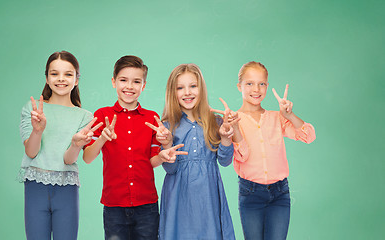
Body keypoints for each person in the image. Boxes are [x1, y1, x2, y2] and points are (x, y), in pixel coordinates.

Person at [82, 55, 186, 240]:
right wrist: (102, 139)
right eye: (123, 80)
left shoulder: (151, 118)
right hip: (114, 205)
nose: (129, 86)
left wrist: (162, 156)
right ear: (114, 82)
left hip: (147, 205)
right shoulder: (102, 115)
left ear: (143, 85)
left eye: (136, 81)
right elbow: (87, 158)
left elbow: (152, 161)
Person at [217, 61, 316, 240]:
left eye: (261, 83)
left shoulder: (276, 118)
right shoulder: (233, 120)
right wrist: (236, 129)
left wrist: (289, 115)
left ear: (267, 86)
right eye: (250, 83)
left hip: (280, 193)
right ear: (239, 86)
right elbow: (243, 155)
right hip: (250, 193)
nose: (256, 89)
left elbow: (308, 136)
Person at [19, 51, 100, 240]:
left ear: (77, 79)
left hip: (67, 188)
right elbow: (31, 152)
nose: (61, 79)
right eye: (54, 73)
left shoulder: (85, 117)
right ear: (47, 78)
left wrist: (75, 144)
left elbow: (69, 160)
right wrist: (37, 130)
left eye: (68, 74)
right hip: (35, 187)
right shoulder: (32, 110)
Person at [150, 63, 236, 239]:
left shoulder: (216, 121)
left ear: (201, 89)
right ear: (172, 93)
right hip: (179, 196)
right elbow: (171, 170)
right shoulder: (167, 125)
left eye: (193, 86)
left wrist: (226, 138)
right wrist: (166, 145)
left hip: (208, 195)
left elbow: (225, 161)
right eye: (180, 88)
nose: (187, 92)